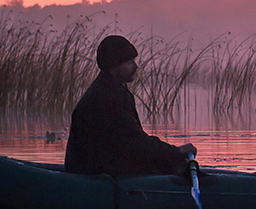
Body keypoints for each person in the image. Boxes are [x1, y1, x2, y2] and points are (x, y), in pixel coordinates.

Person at [64, 35, 196, 176]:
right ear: (113, 65)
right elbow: (136, 144)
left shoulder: (117, 90)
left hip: (107, 165)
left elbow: (132, 143)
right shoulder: (105, 98)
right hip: (93, 173)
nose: (135, 66)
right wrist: (176, 152)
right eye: (129, 62)